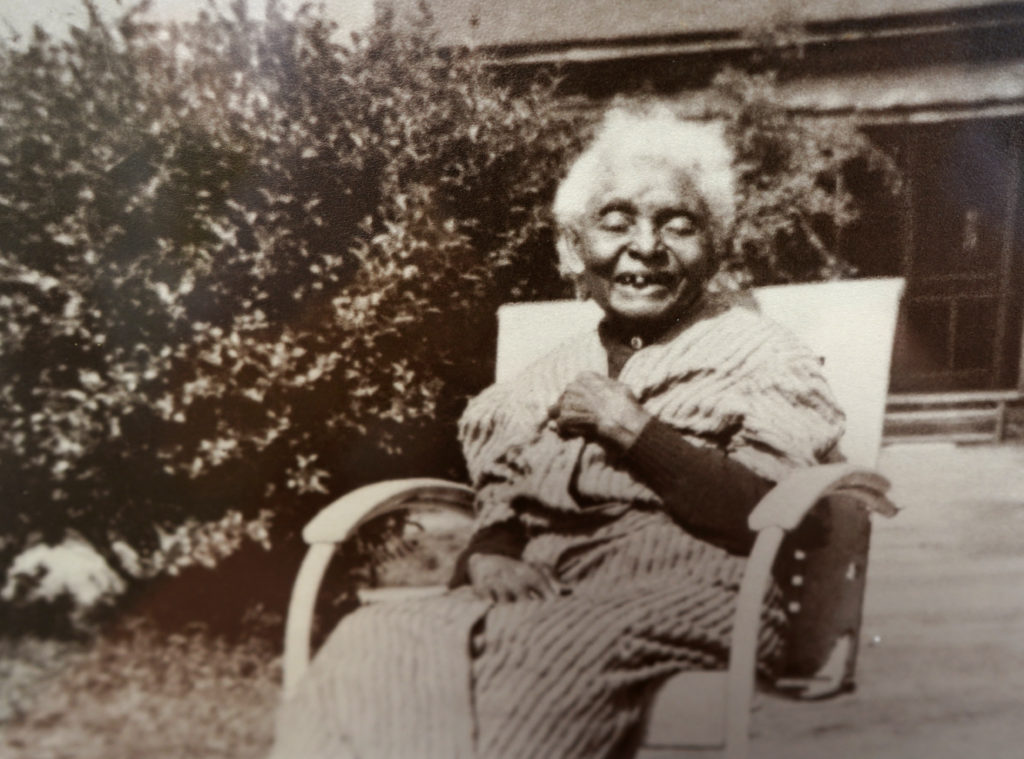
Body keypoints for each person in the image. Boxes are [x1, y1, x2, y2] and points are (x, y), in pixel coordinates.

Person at [269, 104, 845, 759]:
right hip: (540, 584)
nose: (646, 247)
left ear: (714, 246)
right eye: (616, 220)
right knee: (370, 636)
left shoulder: (766, 356)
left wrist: (633, 430)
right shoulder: (538, 380)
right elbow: (504, 499)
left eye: (677, 225)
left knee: (534, 655)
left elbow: (773, 510)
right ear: (574, 248)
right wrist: (488, 549)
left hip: (687, 587)